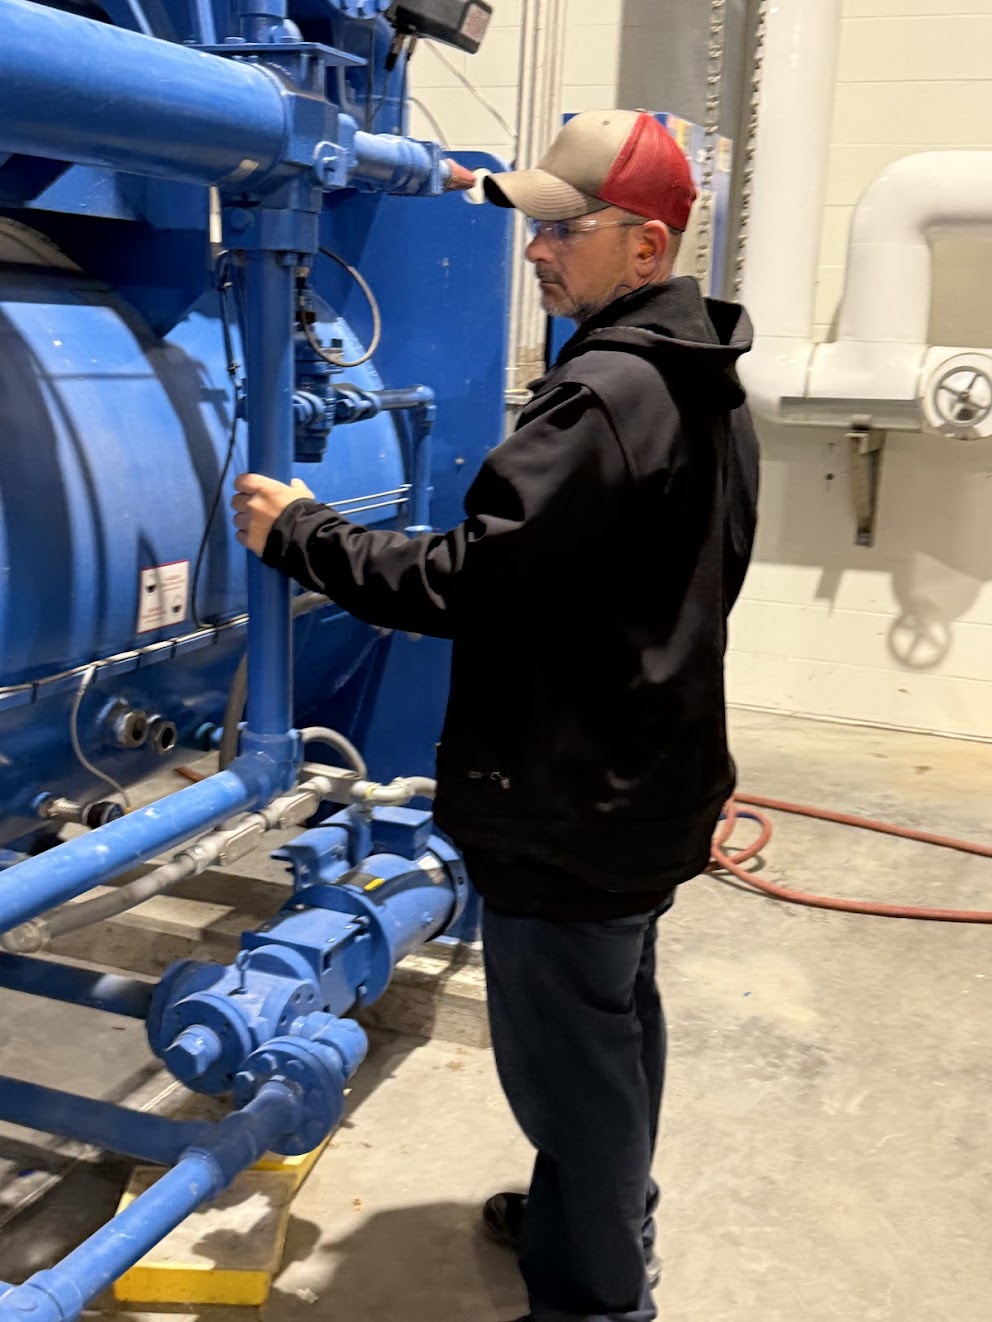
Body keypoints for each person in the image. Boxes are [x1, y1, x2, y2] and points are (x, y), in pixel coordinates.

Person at [232, 109, 759, 1322]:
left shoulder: (601, 397)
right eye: (534, 227)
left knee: (569, 1061)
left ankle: (596, 1297)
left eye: (563, 231)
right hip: (648, 778)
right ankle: (598, 1210)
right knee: (612, 1020)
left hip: (571, 801)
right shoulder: (703, 377)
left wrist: (302, 531)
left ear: (645, 246)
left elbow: (464, 582)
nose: (535, 250)